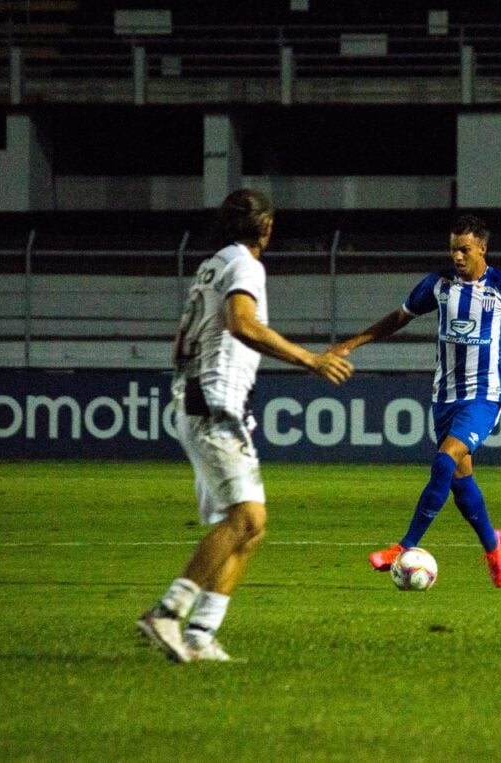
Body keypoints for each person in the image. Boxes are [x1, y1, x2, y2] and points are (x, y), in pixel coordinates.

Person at [138, 188, 354, 662]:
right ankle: (167, 613)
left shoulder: (210, 265)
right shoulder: (245, 266)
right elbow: (242, 323)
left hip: (203, 399)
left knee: (249, 526)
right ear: (266, 228)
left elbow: (181, 342)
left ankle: (199, 632)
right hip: (214, 405)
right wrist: (310, 360)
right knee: (246, 519)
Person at [331, 213, 501, 588]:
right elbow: (399, 318)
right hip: (444, 395)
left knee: (444, 460)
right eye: (453, 250)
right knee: (461, 482)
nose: (458, 257)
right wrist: (352, 343)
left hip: (485, 395)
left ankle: (402, 546)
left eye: (465, 250)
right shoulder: (438, 284)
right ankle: (492, 547)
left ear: (483, 248)